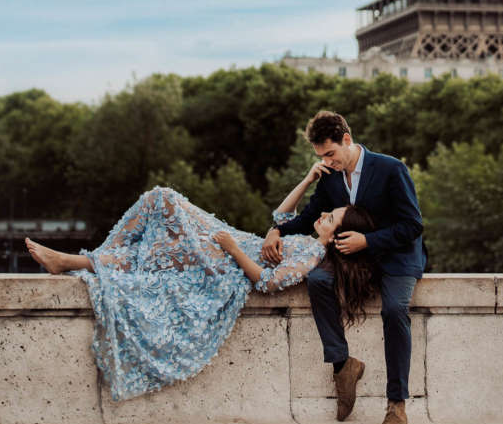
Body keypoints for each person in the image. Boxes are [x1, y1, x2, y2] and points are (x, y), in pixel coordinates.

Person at [24, 163, 376, 402]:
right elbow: (281, 217)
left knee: (161, 201)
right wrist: (308, 179)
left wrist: (233, 248)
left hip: (226, 263)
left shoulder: (313, 253)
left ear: (338, 235)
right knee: (157, 239)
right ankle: (72, 261)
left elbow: (267, 282)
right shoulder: (308, 239)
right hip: (230, 248)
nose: (324, 215)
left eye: (331, 218)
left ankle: (78, 260)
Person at [262, 110, 426, 424]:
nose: (327, 161)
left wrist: (368, 240)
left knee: (394, 310)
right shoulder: (331, 177)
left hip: (395, 257)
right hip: (353, 261)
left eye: (331, 153)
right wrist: (275, 231)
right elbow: (307, 217)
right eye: (321, 156)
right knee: (318, 279)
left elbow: (413, 225)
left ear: (346, 140)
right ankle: (342, 365)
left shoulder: (391, 169)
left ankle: (397, 404)